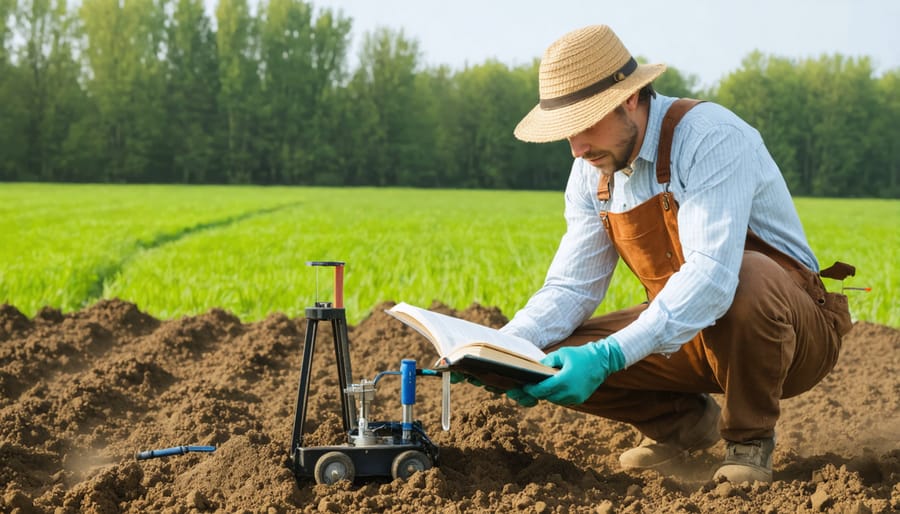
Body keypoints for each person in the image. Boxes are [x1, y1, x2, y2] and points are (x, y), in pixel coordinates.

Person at [494, 24, 855, 483]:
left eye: (584, 124)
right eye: (566, 132)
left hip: (788, 334)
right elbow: (570, 287)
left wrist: (609, 356)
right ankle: (682, 425)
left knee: (744, 277)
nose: (576, 148)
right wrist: (503, 348)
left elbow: (710, 279)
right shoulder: (590, 172)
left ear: (628, 98)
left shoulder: (710, 136)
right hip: (688, 334)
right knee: (550, 353)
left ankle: (749, 439)